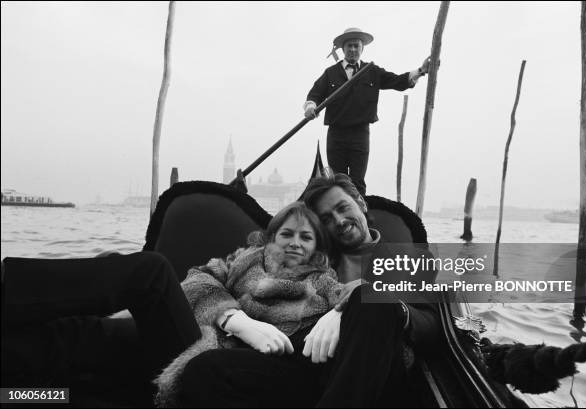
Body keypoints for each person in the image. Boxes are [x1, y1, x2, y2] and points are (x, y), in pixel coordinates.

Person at [175, 172, 440, 407]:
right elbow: (204, 277)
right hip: (302, 364)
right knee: (204, 370)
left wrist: (365, 300)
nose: (339, 220)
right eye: (326, 218)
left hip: (373, 370)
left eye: (343, 207)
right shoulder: (307, 253)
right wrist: (238, 321)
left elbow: (431, 323)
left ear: (360, 202)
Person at [155, 201, 359, 406]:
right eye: (287, 234)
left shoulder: (321, 278)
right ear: (272, 237)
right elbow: (197, 279)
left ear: (316, 246)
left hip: (303, 358)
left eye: (306, 237)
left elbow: (350, 295)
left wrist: (339, 311)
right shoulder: (240, 262)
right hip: (248, 354)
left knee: (206, 369)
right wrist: (235, 320)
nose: (295, 243)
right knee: (203, 369)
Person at [1, 252, 202, 386]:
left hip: (213, 369)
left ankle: (6, 284)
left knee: (153, 274)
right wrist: (226, 315)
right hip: (207, 336)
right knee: (76, 334)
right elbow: (206, 276)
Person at [304, 27, 432, 196]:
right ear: (343, 48)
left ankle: (360, 219)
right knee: (337, 183)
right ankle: (338, 220)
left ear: (362, 48)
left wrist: (422, 71)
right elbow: (314, 96)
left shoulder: (372, 71)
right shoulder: (330, 73)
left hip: (360, 134)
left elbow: (399, 81)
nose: (353, 49)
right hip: (336, 134)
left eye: (356, 46)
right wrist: (311, 108)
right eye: (349, 46)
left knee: (357, 183)